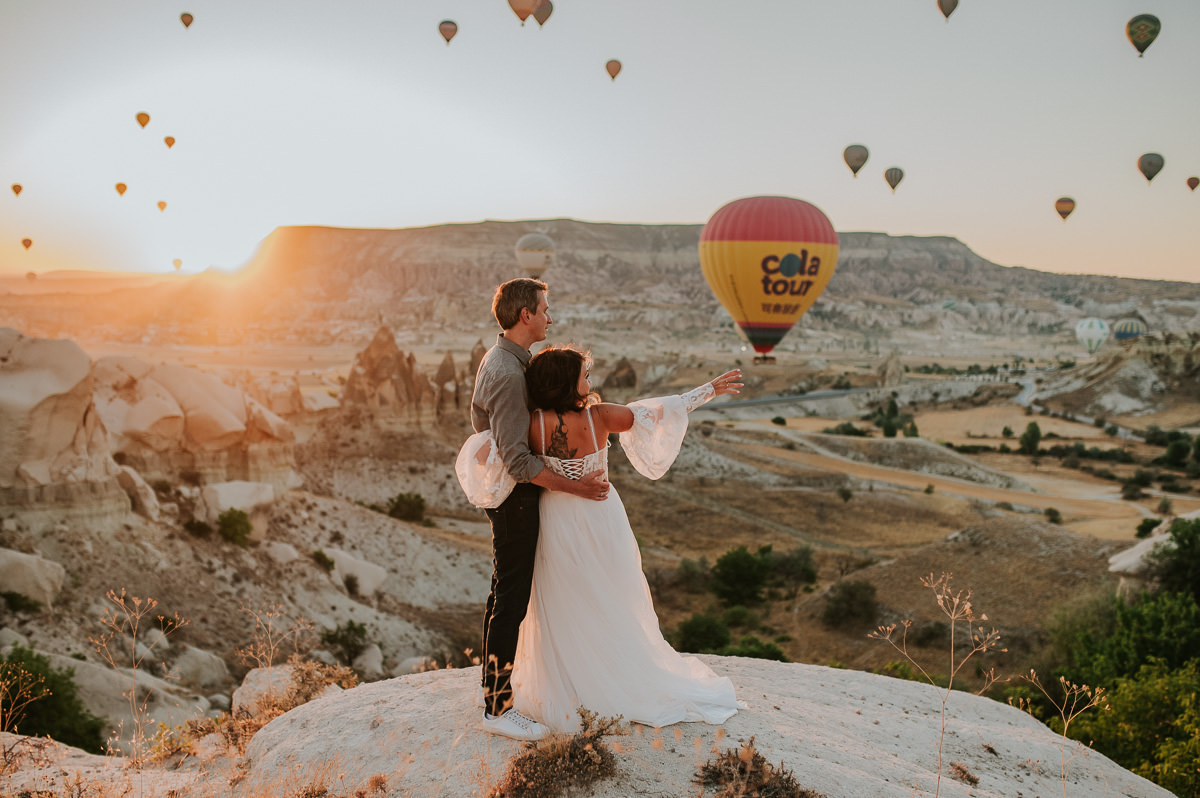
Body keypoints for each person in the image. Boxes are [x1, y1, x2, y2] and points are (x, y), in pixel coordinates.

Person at [509, 344, 743, 733]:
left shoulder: (533, 423)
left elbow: (508, 457)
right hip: (601, 517)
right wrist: (709, 390)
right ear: (566, 382)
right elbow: (658, 413)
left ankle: (572, 685)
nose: (589, 379)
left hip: (556, 519)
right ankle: (616, 676)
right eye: (583, 374)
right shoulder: (599, 415)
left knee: (564, 600)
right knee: (612, 595)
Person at [469, 279, 608, 741]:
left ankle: (494, 693)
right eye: (545, 309)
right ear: (525, 315)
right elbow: (517, 460)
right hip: (515, 497)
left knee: (502, 594)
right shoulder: (510, 374)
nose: (551, 317)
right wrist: (577, 486)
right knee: (511, 599)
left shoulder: (506, 359)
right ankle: (497, 709)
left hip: (512, 495)